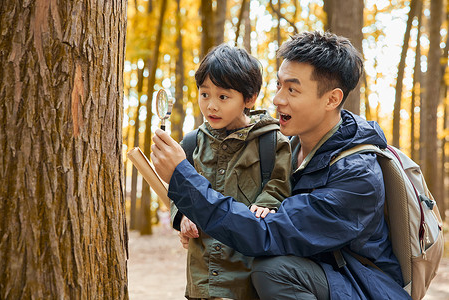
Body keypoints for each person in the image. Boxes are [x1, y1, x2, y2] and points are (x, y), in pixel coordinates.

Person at [151, 31, 411, 299]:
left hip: (361, 287)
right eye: (278, 85)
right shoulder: (287, 148)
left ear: (332, 99)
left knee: (273, 271)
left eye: (292, 89)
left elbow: (265, 233)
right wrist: (185, 214)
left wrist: (182, 177)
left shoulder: (356, 177)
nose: (277, 99)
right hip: (317, 277)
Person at [170, 44, 292, 300]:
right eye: (204, 94)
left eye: (223, 97)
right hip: (202, 274)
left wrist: (266, 204)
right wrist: (181, 216)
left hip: (246, 273)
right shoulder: (192, 143)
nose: (211, 106)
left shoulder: (271, 141)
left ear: (249, 98)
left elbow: (279, 185)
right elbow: (177, 190)